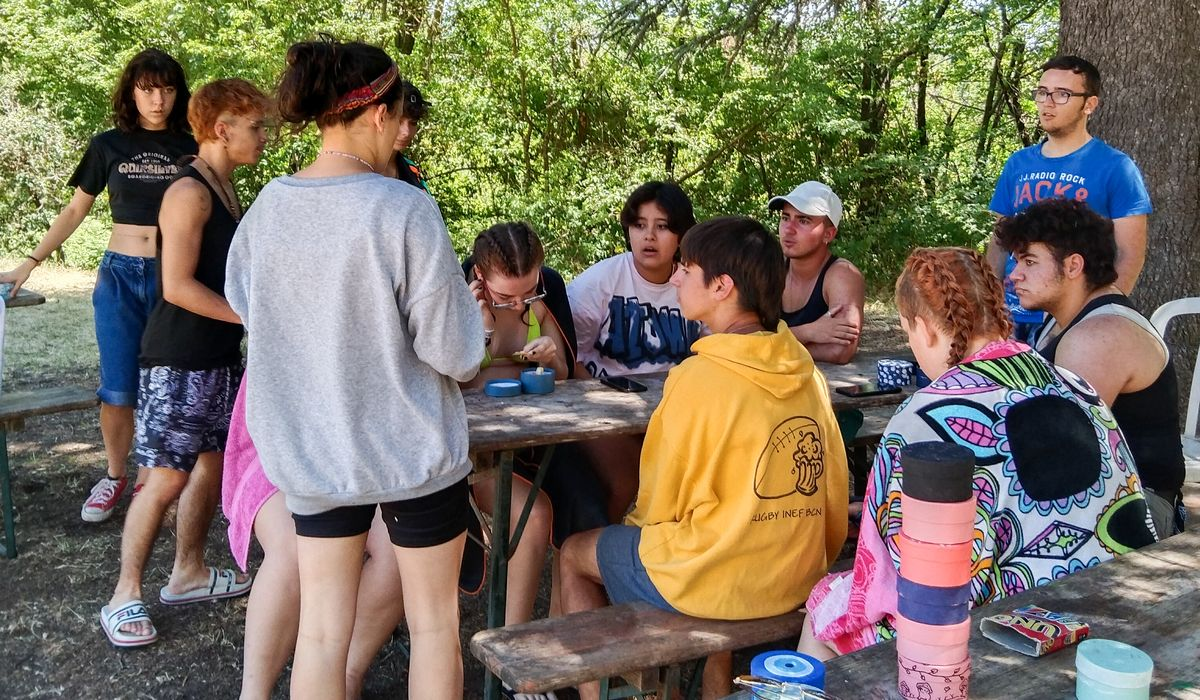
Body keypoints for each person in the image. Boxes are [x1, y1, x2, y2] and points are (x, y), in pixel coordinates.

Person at [225, 39, 481, 700]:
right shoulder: (403, 210)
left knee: (321, 634)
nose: (403, 132)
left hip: (313, 454)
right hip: (416, 453)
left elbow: (250, 309)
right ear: (378, 114)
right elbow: (456, 353)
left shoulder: (266, 212)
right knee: (432, 631)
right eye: (401, 118)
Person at [799, 247, 1157, 660]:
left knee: (826, 605)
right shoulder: (1075, 384)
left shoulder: (923, 417)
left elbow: (903, 577)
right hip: (1108, 601)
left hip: (1007, 627)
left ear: (923, 329)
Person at [560, 216, 849, 700]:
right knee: (718, 537)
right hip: (795, 572)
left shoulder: (697, 379)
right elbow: (833, 489)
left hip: (717, 575)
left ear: (721, 287)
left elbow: (657, 503)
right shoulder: (806, 372)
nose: (675, 277)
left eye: (686, 269)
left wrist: (641, 534)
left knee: (574, 554)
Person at [98, 78, 270, 648]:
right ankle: (123, 594)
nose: (263, 136)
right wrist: (251, 320)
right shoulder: (188, 192)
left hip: (218, 357)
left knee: (211, 466)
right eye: (256, 126)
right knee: (165, 477)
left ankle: (188, 572)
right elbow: (175, 287)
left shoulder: (224, 189)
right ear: (222, 129)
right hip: (177, 359)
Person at [0, 48, 197, 523]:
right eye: (147, 88)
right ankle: (114, 476)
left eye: (167, 89)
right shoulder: (108, 144)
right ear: (132, 92)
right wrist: (28, 263)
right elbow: (75, 210)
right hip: (120, 275)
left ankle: (157, 482)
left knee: (169, 382)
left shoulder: (192, 143)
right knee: (118, 387)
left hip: (175, 277)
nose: (157, 99)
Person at [996, 199, 1187, 538]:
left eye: (1029, 261)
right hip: (1099, 495)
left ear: (1073, 266)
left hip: (1135, 510)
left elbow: (1059, 455)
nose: (1014, 275)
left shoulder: (1098, 335)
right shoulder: (1057, 324)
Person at [222, 381, 408, 700]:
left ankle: (346, 675)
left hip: (365, 449)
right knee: (295, 546)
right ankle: (254, 694)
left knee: (401, 548)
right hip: (278, 438)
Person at [566, 181, 704, 524]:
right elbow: (570, 358)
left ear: (682, 234)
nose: (649, 237)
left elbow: (718, 347)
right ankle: (591, 558)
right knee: (628, 479)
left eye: (662, 227)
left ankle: (669, 557)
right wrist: (608, 402)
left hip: (675, 411)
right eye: (639, 225)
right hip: (606, 411)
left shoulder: (698, 283)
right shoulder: (597, 283)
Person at [987, 55, 1152, 342]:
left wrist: (1098, 314)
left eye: (1062, 94)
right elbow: (1000, 243)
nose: (1047, 102)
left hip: (1076, 318)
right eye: (1042, 92)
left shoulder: (1116, 167)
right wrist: (989, 305)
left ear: (1089, 104)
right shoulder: (1018, 164)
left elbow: (1130, 254)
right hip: (1013, 314)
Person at [769, 181, 865, 365]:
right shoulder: (769, 267)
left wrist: (771, 345)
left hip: (821, 388)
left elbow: (840, 350)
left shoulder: (842, 275)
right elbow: (743, 336)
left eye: (803, 220)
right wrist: (809, 332)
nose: (789, 229)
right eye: (785, 217)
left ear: (828, 234)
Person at [384, 80, 429, 191]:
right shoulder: (357, 167)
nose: (406, 132)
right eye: (399, 121)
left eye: (413, 123)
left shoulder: (412, 171)